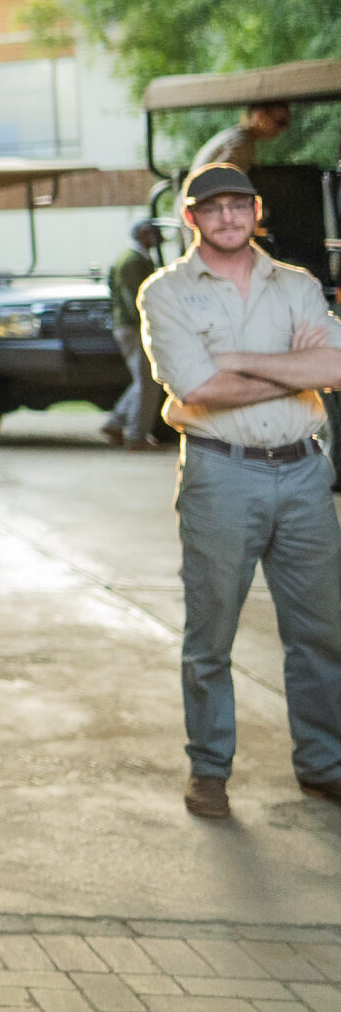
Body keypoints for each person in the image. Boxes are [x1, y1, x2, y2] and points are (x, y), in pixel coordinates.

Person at [140, 163, 341, 820]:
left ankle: (325, 766)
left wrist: (237, 361)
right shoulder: (166, 293)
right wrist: (296, 368)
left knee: (322, 632)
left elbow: (337, 365)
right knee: (212, 632)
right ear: (191, 218)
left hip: (305, 472)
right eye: (212, 207)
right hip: (220, 474)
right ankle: (209, 770)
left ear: (257, 211)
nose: (227, 217)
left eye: (238, 205)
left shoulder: (297, 285)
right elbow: (197, 388)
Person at [103, 218, 168, 449]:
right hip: (135, 327)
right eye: (153, 234)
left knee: (143, 380)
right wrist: (150, 324)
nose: (158, 239)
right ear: (143, 234)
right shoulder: (133, 261)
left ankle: (116, 422)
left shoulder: (130, 257)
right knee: (148, 382)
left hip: (128, 325)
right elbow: (135, 299)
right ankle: (136, 435)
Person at [194, 101, 291, 173]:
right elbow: (221, 185)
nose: (283, 128)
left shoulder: (239, 138)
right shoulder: (241, 143)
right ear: (260, 116)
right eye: (280, 122)